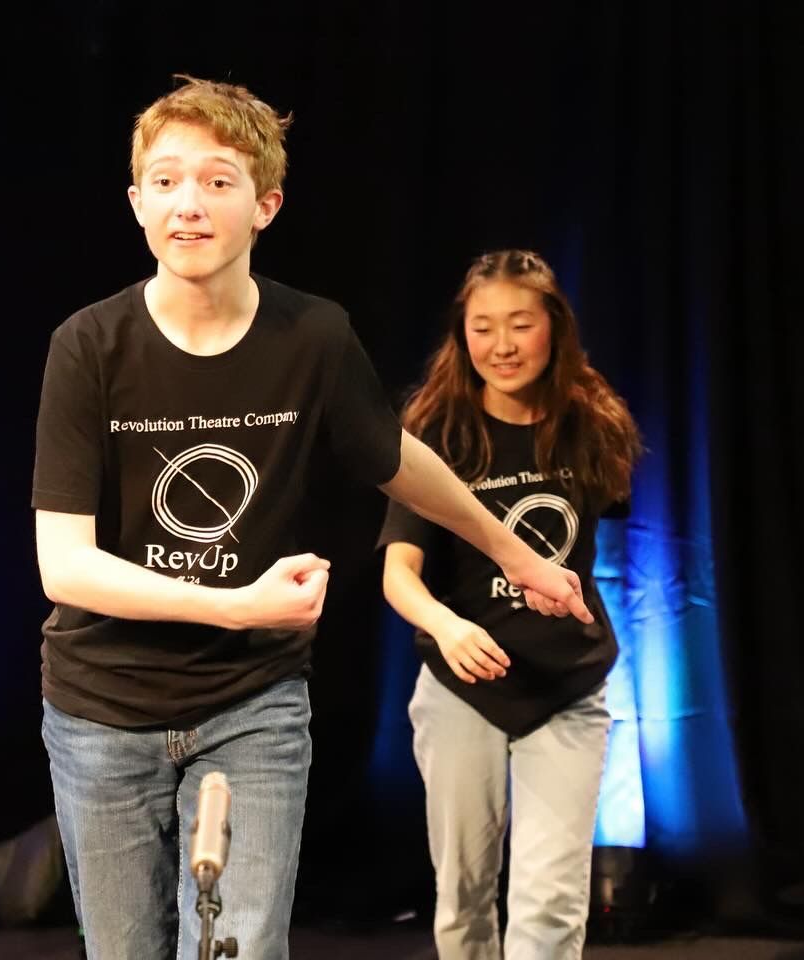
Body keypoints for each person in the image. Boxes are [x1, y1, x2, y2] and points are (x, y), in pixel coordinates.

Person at [31, 77, 592, 960]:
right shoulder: (89, 345)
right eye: (167, 181)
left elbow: (395, 459)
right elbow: (64, 565)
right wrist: (236, 605)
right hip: (104, 707)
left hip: (251, 704)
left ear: (266, 204)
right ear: (136, 202)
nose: (189, 205)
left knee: (243, 947)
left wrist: (512, 551)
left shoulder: (314, 336)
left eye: (218, 181)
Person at [380, 249, 643, 959]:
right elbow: (399, 572)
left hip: (567, 687)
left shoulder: (593, 422)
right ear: (461, 335)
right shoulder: (435, 433)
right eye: (483, 327)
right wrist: (445, 623)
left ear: (553, 329)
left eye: (520, 325)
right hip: (461, 689)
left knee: (551, 899)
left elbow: (600, 528)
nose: (502, 345)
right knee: (462, 897)